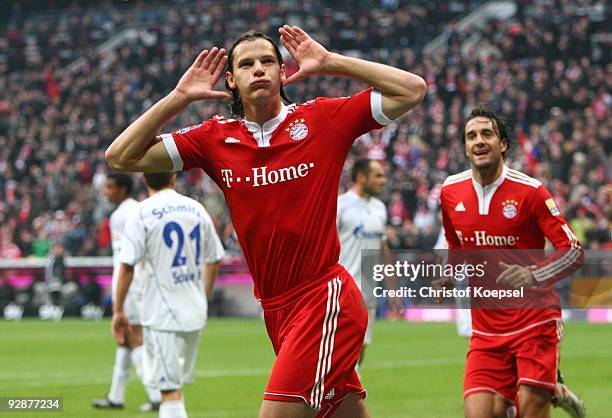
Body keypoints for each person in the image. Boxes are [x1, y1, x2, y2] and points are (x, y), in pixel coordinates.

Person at [105, 25, 426, 418]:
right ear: (231, 80)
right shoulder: (213, 139)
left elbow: (412, 89)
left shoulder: (323, 119)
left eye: (268, 61)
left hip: (323, 298)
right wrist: (178, 97)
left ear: (283, 72)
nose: (258, 69)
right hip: (276, 310)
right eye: (247, 64)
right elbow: (121, 157)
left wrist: (329, 62)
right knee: (344, 412)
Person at [439, 105, 586, 418]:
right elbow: (455, 243)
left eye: (487, 134)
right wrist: (450, 274)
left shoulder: (531, 192)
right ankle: (553, 389)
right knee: (480, 414)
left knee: (529, 411)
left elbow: (573, 250)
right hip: (486, 329)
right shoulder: (450, 191)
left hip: (534, 322)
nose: (479, 141)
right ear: (465, 147)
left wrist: (532, 275)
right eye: (471, 136)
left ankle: (547, 389)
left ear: (502, 144)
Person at [112, 172, 225, 418]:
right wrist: (203, 297)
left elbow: (127, 266)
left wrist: (118, 309)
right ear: (173, 178)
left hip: (163, 314)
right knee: (174, 387)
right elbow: (215, 257)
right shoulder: (196, 209)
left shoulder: (141, 213)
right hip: (195, 312)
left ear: (145, 180)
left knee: (169, 391)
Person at [92, 173, 161, 412]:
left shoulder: (123, 215)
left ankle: (156, 395)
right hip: (136, 282)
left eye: (110, 187)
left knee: (133, 338)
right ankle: (115, 397)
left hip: (130, 284)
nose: (105, 191)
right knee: (123, 341)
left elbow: (127, 258)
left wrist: (120, 293)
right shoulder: (135, 209)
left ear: (123, 189)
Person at [337, 158, 397, 366]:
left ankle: (349, 393)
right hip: (342, 293)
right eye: (378, 175)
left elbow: (383, 250)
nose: (383, 180)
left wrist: (393, 290)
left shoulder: (379, 208)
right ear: (361, 177)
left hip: (369, 293)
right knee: (340, 352)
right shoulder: (340, 206)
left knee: (361, 349)